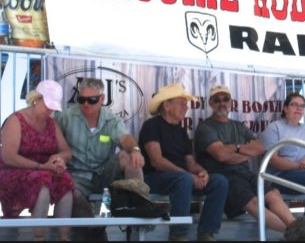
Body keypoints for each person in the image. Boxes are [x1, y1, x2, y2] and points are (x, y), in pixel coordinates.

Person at [194, 85, 305, 240]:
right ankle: (299, 234)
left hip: (246, 174)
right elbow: (221, 156)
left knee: (274, 195)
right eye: (217, 99)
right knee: (254, 203)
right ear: (210, 103)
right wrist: (242, 150)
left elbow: (259, 148)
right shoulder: (205, 128)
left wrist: (234, 149)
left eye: (226, 99)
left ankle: (300, 232)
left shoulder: (239, 126)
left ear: (231, 102)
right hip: (225, 177)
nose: (222, 103)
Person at [55, 78, 144, 240]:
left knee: (128, 155)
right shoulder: (65, 117)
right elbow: (52, 142)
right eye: (81, 99)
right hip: (77, 177)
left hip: (105, 175)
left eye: (92, 100)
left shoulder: (112, 120)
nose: (86, 104)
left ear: (102, 99)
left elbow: (125, 138)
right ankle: (96, 230)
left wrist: (135, 149)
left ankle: (138, 205)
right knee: (71, 192)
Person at [139, 83, 228, 241]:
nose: (186, 107)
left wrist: (202, 172)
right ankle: (178, 235)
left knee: (219, 181)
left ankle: (206, 233)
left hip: (182, 179)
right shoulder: (151, 125)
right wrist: (189, 175)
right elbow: (157, 161)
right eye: (182, 103)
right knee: (184, 179)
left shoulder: (181, 131)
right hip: (155, 178)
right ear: (167, 105)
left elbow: (191, 163)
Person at [0, 80, 73, 241]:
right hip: (14, 171)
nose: (50, 110)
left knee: (65, 181)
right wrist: (42, 166)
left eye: (53, 106)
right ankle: (39, 238)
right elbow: (8, 156)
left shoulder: (51, 124)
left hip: (43, 169)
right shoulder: (16, 120)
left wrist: (58, 158)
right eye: (48, 105)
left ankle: (64, 238)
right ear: (35, 100)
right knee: (42, 182)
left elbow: (67, 151)